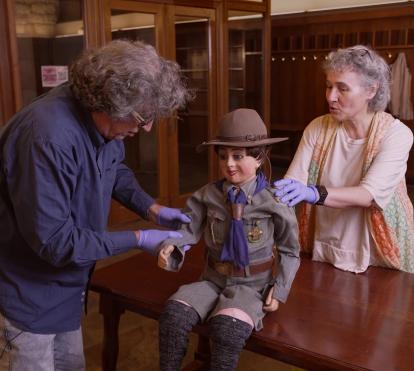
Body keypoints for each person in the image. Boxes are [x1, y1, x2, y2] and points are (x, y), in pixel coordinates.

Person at [0, 40, 193, 370]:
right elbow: (57, 242)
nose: (146, 127)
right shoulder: (47, 136)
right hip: (27, 296)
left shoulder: (103, 125)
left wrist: (152, 209)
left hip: (67, 291)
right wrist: (138, 239)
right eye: (142, 115)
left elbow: (113, 168)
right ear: (109, 102)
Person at [157, 108, 301, 371]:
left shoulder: (274, 201)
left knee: (227, 330)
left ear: (259, 158)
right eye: (223, 156)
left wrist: (279, 290)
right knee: (173, 315)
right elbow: (189, 228)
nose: (229, 164)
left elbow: (290, 251)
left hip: (251, 286)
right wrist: (173, 245)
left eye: (238, 156)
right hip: (212, 279)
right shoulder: (207, 196)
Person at [274, 45, 414, 274]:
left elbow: (368, 195)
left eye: (343, 88)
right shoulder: (318, 127)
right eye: (329, 86)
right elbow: (294, 180)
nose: (331, 97)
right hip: (325, 243)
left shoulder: (395, 134)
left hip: (378, 254)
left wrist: (313, 193)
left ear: (371, 90)